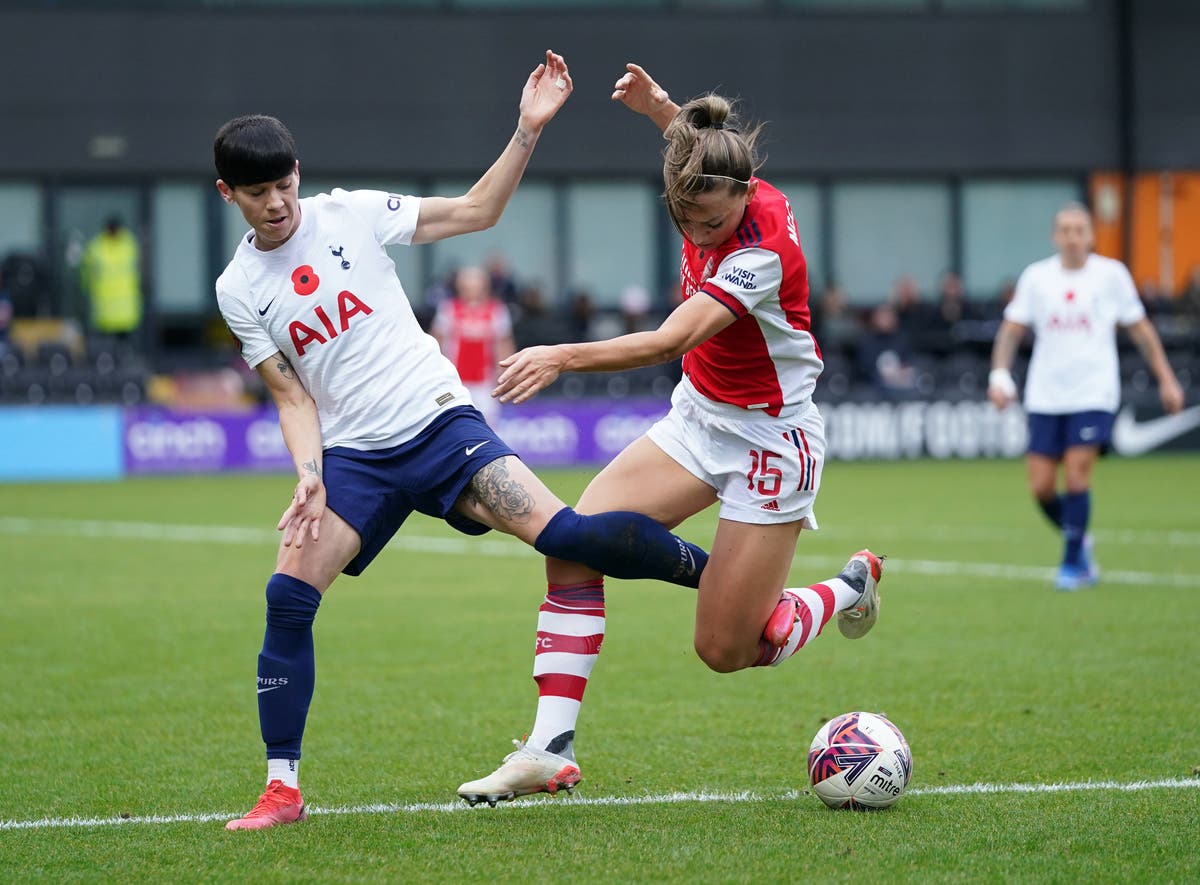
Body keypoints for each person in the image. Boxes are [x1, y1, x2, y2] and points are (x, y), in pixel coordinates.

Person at [213, 51, 716, 831]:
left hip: (442, 425)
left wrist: (526, 130)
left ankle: (742, 592)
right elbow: (289, 391)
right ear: (229, 195)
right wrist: (309, 474)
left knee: (569, 534)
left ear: (298, 174)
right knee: (287, 596)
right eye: (258, 193)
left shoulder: (350, 213)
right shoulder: (237, 287)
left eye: (285, 185)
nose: (277, 204)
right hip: (357, 461)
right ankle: (283, 788)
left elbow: (478, 211)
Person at [456, 62, 883, 807]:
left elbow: (668, 339)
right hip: (698, 420)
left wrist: (563, 354)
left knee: (726, 649)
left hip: (771, 444)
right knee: (573, 538)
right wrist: (661, 111)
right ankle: (548, 746)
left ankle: (846, 587)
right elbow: (699, 150)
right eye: (684, 219)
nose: (697, 231)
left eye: (711, 221)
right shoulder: (708, 177)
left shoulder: (761, 250)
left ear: (746, 197)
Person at [987, 202, 1184, 591]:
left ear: (1091, 235)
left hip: (1094, 392)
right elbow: (1011, 331)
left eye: (1080, 229)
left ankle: (1073, 564)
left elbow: (1141, 330)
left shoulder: (1111, 276)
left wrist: (1167, 379)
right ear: (1055, 236)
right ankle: (1079, 538)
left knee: (1077, 474)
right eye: (1065, 230)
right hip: (1045, 395)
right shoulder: (1037, 277)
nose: (1073, 237)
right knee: (1041, 486)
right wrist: (998, 375)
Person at [431, 265, 515, 424]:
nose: (472, 289)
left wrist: (504, 374)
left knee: (487, 424)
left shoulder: (496, 310)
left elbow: (504, 344)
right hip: (455, 379)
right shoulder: (449, 309)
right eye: (467, 285)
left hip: (485, 381)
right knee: (454, 423)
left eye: (476, 284)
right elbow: (436, 341)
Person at [80, 216, 142, 347]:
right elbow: (86, 274)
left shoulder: (129, 245)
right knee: (105, 349)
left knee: (123, 346)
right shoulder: (97, 247)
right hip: (104, 309)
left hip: (126, 310)